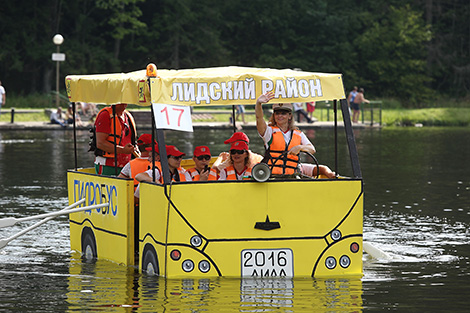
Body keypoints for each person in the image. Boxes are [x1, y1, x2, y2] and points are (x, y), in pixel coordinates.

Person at [255, 92, 320, 176]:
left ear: (289, 116)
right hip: (272, 177)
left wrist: (300, 147)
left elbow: (312, 149)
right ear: (274, 115)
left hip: (292, 176)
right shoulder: (269, 131)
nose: (280, 116)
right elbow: (259, 118)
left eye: (283, 113)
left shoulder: (299, 134)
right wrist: (258, 103)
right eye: (277, 113)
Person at [92, 103, 137, 176]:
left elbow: (132, 141)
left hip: (126, 165)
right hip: (107, 165)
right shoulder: (105, 114)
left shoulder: (128, 116)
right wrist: (123, 150)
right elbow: (100, 143)